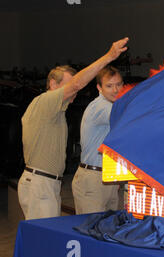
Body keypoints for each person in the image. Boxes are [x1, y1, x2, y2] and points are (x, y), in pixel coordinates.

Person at [18, 37, 129, 220]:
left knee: (48, 239)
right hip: (41, 182)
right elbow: (78, 83)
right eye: (68, 86)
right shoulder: (45, 102)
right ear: (53, 84)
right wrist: (109, 56)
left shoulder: (54, 112)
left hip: (47, 182)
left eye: (118, 85)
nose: (74, 92)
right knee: (46, 241)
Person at [71, 66, 124, 214]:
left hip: (108, 177)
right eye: (109, 86)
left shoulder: (113, 105)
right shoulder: (101, 106)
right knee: (91, 232)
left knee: (106, 231)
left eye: (118, 84)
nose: (115, 90)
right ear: (99, 88)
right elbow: (128, 119)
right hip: (93, 179)